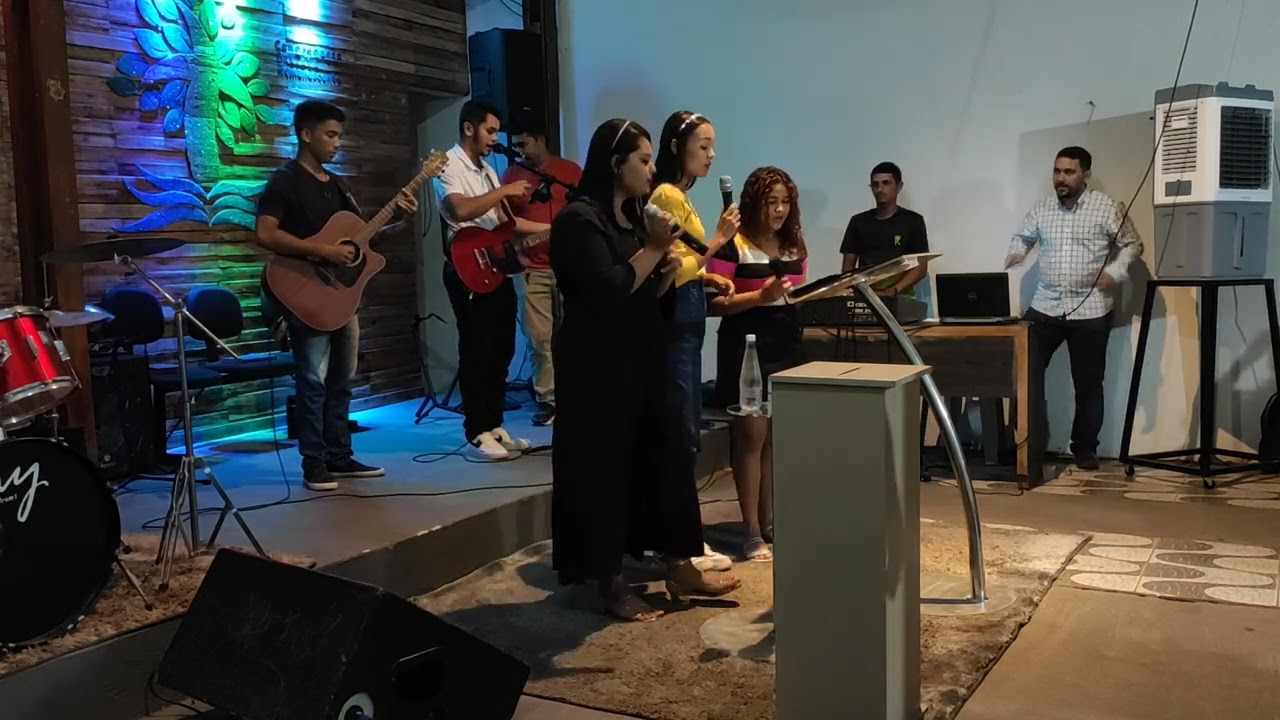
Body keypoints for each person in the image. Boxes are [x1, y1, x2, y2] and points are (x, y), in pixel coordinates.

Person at [550, 118, 741, 622]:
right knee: (607, 470)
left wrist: (665, 270)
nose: (653, 169)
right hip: (597, 367)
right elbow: (607, 291)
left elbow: (642, 294)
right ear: (617, 165)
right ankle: (609, 582)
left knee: (665, 456)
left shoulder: (632, 218)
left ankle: (679, 560)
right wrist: (655, 250)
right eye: (643, 160)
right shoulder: (578, 220)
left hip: (641, 354)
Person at [254, 100, 418, 491]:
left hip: (341, 296)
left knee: (342, 380)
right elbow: (265, 233)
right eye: (330, 135)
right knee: (312, 380)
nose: (337, 143)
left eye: (340, 136)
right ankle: (314, 463)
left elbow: (364, 243)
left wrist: (401, 220)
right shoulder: (285, 181)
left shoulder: (339, 186)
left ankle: (339, 456)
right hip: (304, 292)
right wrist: (323, 251)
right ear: (305, 134)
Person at [1005, 146, 1142, 470]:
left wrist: (1114, 272)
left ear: (1085, 175)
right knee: (1023, 375)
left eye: (1069, 172)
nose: (1061, 178)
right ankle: (1025, 445)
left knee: (1088, 384)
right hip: (1046, 305)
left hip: (1090, 308)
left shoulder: (1105, 207)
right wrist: (1018, 251)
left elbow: (1132, 244)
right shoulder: (1043, 208)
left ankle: (1085, 449)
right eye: (1057, 171)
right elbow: (1022, 236)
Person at [647, 110, 738, 573]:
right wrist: (718, 242)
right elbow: (668, 266)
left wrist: (706, 277)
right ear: (676, 147)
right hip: (674, 329)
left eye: (712, 145)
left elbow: (685, 264)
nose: (711, 154)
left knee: (685, 430)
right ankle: (681, 542)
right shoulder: (665, 195)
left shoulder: (679, 195)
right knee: (680, 434)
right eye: (703, 146)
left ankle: (680, 537)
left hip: (687, 325)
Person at [435, 100, 546, 460]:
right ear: (469, 128)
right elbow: (459, 210)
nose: (495, 138)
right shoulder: (448, 164)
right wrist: (503, 192)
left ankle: (494, 424)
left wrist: (552, 227)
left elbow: (504, 223)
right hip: (465, 267)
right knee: (477, 349)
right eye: (491, 130)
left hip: (494, 266)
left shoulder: (487, 170)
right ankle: (476, 430)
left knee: (502, 348)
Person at [708, 167, 808, 562]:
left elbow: (798, 291)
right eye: (771, 202)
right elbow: (713, 304)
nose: (780, 210)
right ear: (754, 203)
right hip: (745, 343)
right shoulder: (733, 243)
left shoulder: (794, 243)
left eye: (785, 202)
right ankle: (750, 531)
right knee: (751, 436)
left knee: (776, 438)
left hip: (786, 341)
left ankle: (769, 522)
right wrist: (759, 298)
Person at [501, 117, 584, 427]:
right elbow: (505, 222)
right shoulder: (512, 175)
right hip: (532, 268)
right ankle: (548, 400)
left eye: (524, 144)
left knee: (572, 334)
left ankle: (575, 395)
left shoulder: (570, 172)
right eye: (514, 146)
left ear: (540, 139)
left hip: (569, 267)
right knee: (539, 339)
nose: (519, 151)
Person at [839, 161, 929, 296]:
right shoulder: (858, 221)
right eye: (875, 185)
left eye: (886, 183)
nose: (880, 189)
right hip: (865, 295)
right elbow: (847, 268)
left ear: (899, 186)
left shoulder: (913, 220)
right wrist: (853, 292)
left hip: (901, 295)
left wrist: (894, 290)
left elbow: (921, 266)